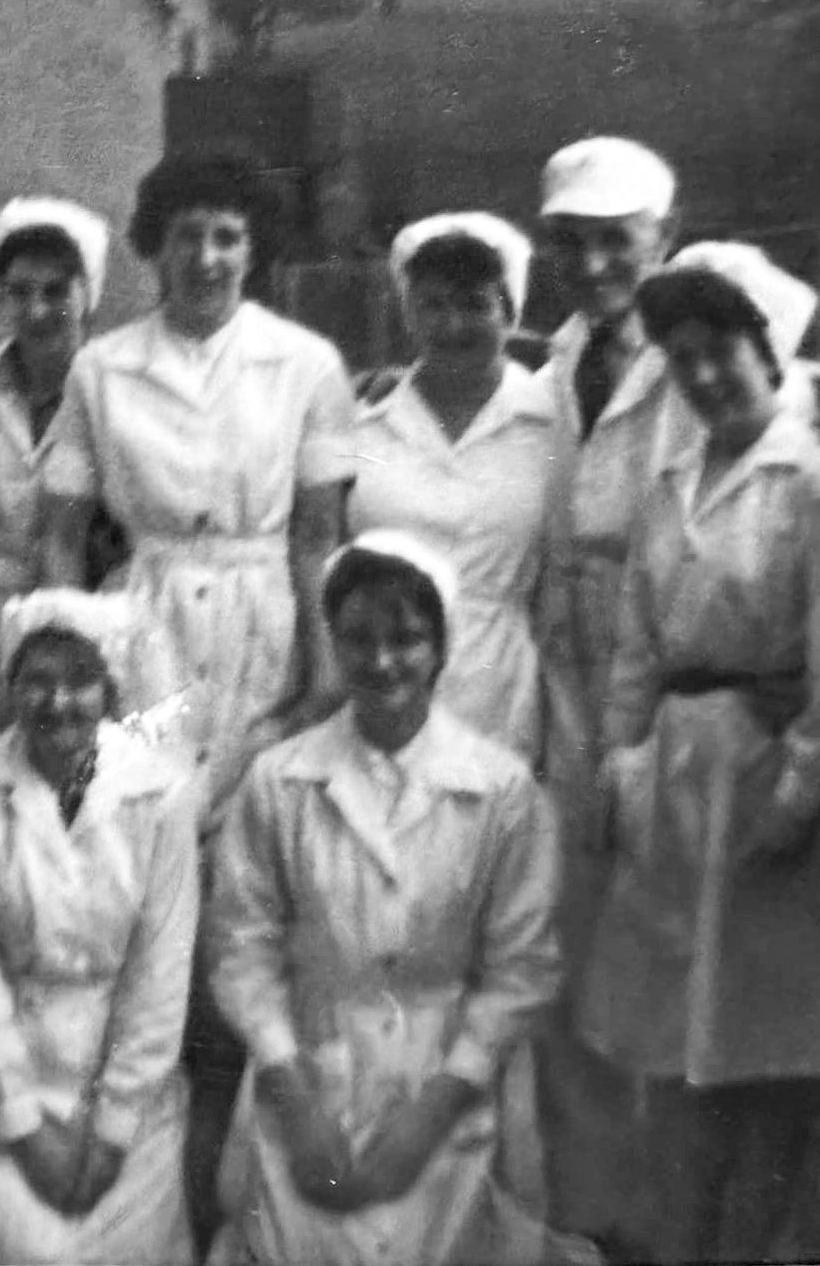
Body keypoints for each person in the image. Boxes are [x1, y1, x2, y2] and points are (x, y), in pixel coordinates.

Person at [40, 146, 355, 1247]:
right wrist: (69, 665)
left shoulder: (305, 362)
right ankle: (138, 1193)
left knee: (253, 915)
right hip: (146, 640)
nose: (208, 256)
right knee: (135, 893)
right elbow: (60, 535)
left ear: (252, 247)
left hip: (266, 633)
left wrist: (318, 677)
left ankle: (250, 1195)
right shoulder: (101, 368)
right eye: (186, 235)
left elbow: (318, 534)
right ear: (152, 247)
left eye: (227, 235)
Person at [207, 531, 564, 1266]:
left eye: (405, 639)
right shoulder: (278, 782)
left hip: (449, 1073)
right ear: (332, 643)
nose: (380, 661)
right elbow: (241, 952)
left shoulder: (500, 790)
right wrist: (298, 1103)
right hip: (303, 1063)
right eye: (357, 638)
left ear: (441, 647)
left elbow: (518, 971)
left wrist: (430, 1114)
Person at [577, 242, 820, 1264]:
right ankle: (686, 1238)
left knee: (767, 1044)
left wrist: (799, 787)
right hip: (676, 780)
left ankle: (765, 1244)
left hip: (764, 782)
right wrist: (619, 768)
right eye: (680, 357)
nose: (704, 374)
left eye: (720, 348)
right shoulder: (672, 478)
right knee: (675, 1041)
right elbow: (634, 646)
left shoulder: (804, 479)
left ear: (767, 351)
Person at [529, 134, 699, 1247]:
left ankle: (674, 1221)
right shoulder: (547, 369)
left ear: (663, 242)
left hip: (669, 691)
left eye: (617, 243)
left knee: (674, 973)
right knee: (561, 972)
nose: (594, 265)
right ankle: (589, 1223)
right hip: (558, 692)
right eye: (573, 243)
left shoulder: (696, 365)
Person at [0, 589, 198, 1266]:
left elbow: (159, 975)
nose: (57, 703)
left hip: (126, 1093)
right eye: (36, 682)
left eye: (79, 683)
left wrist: (112, 1128)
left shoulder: (158, 796)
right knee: (23, 1251)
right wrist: (20, 1123)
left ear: (110, 689)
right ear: (8, 688)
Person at [349, 212, 552, 761]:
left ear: (510, 313)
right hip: (382, 681)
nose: (453, 325)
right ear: (407, 313)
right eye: (432, 304)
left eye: (475, 304)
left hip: (504, 694)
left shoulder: (553, 425)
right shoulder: (363, 425)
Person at [0, 196, 110, 756]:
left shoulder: (116, 394)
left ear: (89, 297)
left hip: (90, 625)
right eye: (18, 292)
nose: (35, 310)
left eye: (56, 292)